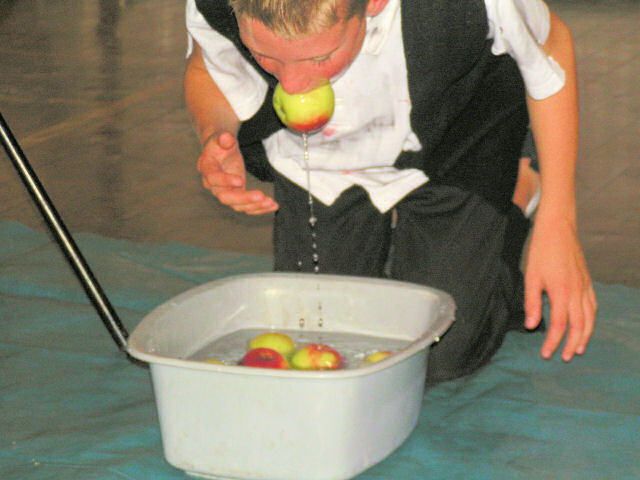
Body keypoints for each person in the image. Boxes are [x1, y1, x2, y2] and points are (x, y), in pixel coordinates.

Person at [184, 0, 597, 383]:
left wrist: (558, 219)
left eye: (319, 58)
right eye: (266, 55)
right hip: (319, 165)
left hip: (454, 138)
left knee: (437, 353)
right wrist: (216, 134)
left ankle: (518, 189)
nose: (292, 87)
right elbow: (209, 68)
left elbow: (553, 45)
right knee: (320, 337)